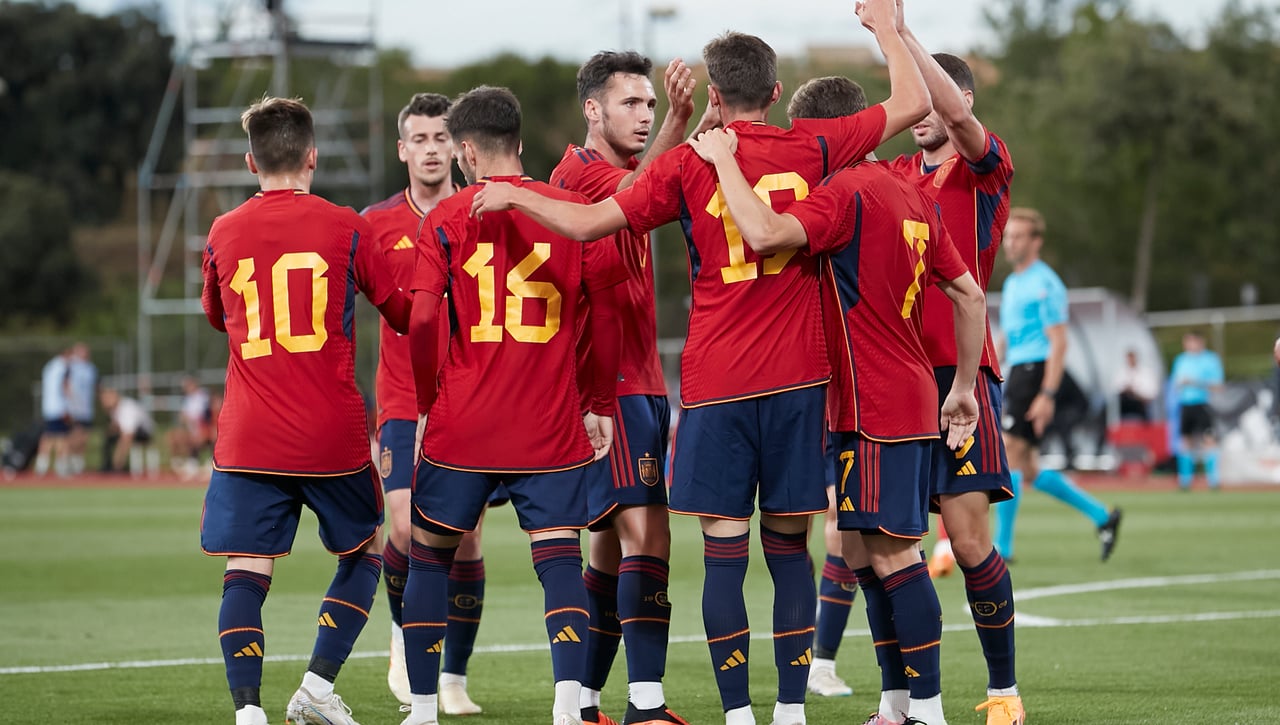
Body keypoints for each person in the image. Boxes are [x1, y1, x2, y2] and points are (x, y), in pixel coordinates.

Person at [472, 5, 928, 723]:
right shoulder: (814, 147)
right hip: (800, 380)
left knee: (723, 553)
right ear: (777, 92)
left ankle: (737, 714)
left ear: (714, 95)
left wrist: (515, 192)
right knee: (789, 551)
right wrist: (885, 28)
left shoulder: (687, 160)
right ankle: (790, 711)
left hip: (715, 386)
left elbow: (593, 221)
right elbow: (913, 102)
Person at [686, 75, 987, 724]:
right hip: (908, 392)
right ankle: (897, 702)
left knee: (891, 555)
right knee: (865, 553)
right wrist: (961, 387)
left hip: (871, 402)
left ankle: (928, 709)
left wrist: (723, 158)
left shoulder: (846, 191)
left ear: (831, 135)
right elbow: (971, 295)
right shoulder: (914, 192)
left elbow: (763, 233)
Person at [398, 85, 625, 725]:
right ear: (520, 144)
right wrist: (599, 401)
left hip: (462, 420)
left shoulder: (445, 218)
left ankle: (421, 707)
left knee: (430, 557)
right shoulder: (578, 209)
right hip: (548, 421)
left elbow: (419, 322)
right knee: (558, 562)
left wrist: (424, 403)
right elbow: (607, 316)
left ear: (465, 151)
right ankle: (567, 707)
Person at [199, 96, 411, 725]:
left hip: (249, 432)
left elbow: (219, 317)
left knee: (245, 572)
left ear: (250, 161)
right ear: (312, 157)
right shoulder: (348, 225)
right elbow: (401, 312)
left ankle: (248, 713)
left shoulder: (222, 230)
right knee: (364, 550)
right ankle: (317, 686)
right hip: (329, 431)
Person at [552, 50, 705, 725]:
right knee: (648, 539)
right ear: (593, 109)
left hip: (631, 380)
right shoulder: (581, 176)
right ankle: (646, 704)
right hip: (612, 386)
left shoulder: (609, 174)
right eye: (631, 104)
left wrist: (685, 129)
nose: (643, 116)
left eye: (650, 105)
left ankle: (586, 702)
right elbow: (640, 192)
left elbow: (647, 183)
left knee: (610, 548)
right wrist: (682, 123)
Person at [885, 22, 1025, 723]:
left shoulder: (983, 169)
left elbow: (963, 120)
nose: (922, 114)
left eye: (932, 100)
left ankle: (1003, 692)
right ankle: (907, 699)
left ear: (959, 98)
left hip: (963, 377)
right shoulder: (895, 178)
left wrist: (900, 31)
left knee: (969, 543)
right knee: (891, 545)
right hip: (897, 380)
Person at [362, 92, 492, 715]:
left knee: (463, 540)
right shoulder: (375, 223)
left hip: (473, 401)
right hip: (401, 401)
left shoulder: (484, 213)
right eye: (420, 139)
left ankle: (455, 678)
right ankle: (404, 631)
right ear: (402, 150)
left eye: (442, 138)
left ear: (458, 146)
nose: (432, 149)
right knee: (409, 529)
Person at [994, 207, 1122, 565]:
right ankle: (1102, 516)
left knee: (1009, 456)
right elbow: (1007, 336)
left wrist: (1047, 394)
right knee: (1029, 468)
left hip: (1035, 373)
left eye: (1018, 236)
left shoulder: (1045, 284)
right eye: (1008, 236)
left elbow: (1059, 343)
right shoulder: (1014, 282)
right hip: (1020, 371)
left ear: (1036, 242)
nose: (1010, 243)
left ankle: (1002, 548)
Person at [1170, 330, 1224, 490]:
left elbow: (1218, 386)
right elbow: (1175, 384)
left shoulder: (1210, 360)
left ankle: (1213, 481)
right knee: (1185, 441)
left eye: (1192, 342)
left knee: (1208, 439)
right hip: (1186, 405)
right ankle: (1185, 481)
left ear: (1200, 342)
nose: (1189, 345)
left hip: (1203, 404)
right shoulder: (1181, 360)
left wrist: (1195, 382)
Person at [34, 348, 72, 477]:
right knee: (62, 438)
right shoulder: (63, 367)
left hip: (48, 407)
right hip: (59, 407)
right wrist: (67, 406)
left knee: (49, 437)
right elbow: (64, 387)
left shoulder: (49, 366)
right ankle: (61, 467)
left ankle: (42, 465)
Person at [166, 375, 213, 479]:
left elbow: (206, 416)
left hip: (203, 429)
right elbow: (182, 417)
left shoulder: (203, 396)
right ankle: (181, 463)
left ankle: (195, 463)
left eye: (187, 385)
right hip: (191, 429)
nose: (185, 388)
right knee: (172, 437)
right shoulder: (187, 399)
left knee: (197, 437)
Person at [100, 386, 155, 474]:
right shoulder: (113, 410)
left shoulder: (127, 408)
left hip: (144, 431)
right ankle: (107, 466)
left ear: (114, 396)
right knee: (108, 438)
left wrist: (117, 460)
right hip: (130, 430)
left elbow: (128, 435)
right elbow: (115, 427)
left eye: (106, 398)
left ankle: (117, 468)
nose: (104, 402)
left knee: (123, 441)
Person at [66, 342, 97, 475]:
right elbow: (65, 385)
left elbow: (95, 386)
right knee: (74, 437)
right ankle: (67, 463)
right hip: (74, 408)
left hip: (87, 409)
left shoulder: (91, 368)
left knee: (84, 438)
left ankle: (79, 465)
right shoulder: (71, 366)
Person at [1115, 349, 1160, 422]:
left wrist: (1137, 393)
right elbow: (1117, 388)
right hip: (1126, 401)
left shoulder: (1146, 372)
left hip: (1141, 402)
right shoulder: (1122, 372)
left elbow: (1152, 392)